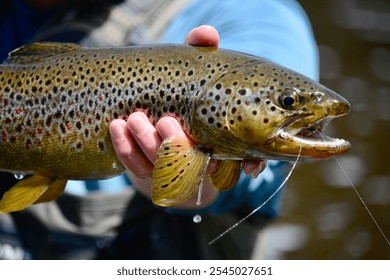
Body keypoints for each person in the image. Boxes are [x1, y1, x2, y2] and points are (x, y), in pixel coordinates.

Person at [0, 0, 319, 259]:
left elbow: (263, 165)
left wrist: (201, 182)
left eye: (288, 101)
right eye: (289, 102)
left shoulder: (250, 13)